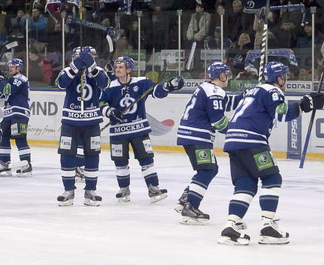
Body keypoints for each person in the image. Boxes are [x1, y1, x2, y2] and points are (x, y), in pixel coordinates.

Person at [218, 62, 324, 245]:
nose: (286, 80)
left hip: (233, 142)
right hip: (252, 141)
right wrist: (304, 104)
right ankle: (267, 226)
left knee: (246, 184)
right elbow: (281, 114)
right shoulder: (273, 91)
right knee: (272, 178)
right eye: (285, 76)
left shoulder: (253, 91)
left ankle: (231, 227)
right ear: (279, 78)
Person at [100, 56, 182, 203]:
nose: (117, 69)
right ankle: (124, 189)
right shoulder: (110, 86)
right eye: (116, 67)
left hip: (139, 130)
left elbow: (157, 91)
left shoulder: (141, 82)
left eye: (121, 67)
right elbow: (100, 103)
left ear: (129, 70)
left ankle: (153, 188)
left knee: (146, 160)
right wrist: (109, 111)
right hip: (118, 133)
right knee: (120, 162)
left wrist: (168, 86)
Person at [175, 62, 241, 224]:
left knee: (208, 169)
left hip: (191, 135)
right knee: (207, 170)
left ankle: (186, 198)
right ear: (221, 75)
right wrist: (236, 132)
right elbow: (218, 120)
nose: (228, 77)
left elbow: (224, 103)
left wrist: (246, 96)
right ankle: (190, 206)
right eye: (226, 74)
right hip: (198, 136)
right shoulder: (215, 91)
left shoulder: (207, 88)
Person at [55, 46, 110, 206]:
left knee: (92, 155)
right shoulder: (67, 70)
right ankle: (68, 190)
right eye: (77, 58)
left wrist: (92, 67)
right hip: (70, 122)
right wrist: (75, 67)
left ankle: (90, 191)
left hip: (91, 122)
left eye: (88, 58)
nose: (83, 61)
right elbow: (61, 84)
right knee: (66, 155)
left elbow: (104, 84)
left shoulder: (98, 71)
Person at [0, 58, 32, 178]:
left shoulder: (21, 78)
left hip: (19, 113)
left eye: (13, 66)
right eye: (9, 66)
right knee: (3, 138)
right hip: (8, 114)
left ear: (19, 68)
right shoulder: (10, 80)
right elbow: (1, 94)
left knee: (20, 138)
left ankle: (26, 165)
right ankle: (5, 164)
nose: (10, 68)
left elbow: (9, 90)